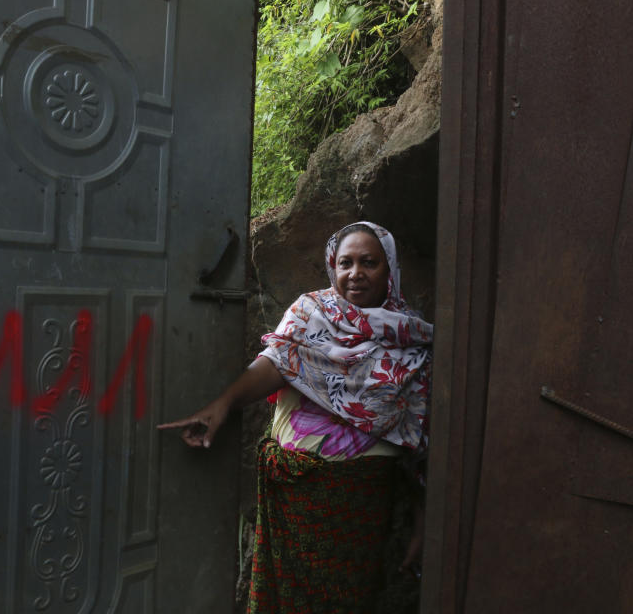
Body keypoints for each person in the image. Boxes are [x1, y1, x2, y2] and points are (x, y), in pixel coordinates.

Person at [158, 221, 433, 613]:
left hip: (358, 504)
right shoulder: (310, 313)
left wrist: (423, 520)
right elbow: (275, 363)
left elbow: (420, 437)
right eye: (345, 263)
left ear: (389, 268)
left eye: (369, 263)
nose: (355, 273)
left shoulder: (412, 336)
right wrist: (221, 406)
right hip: (293, 495)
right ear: (332, 267)